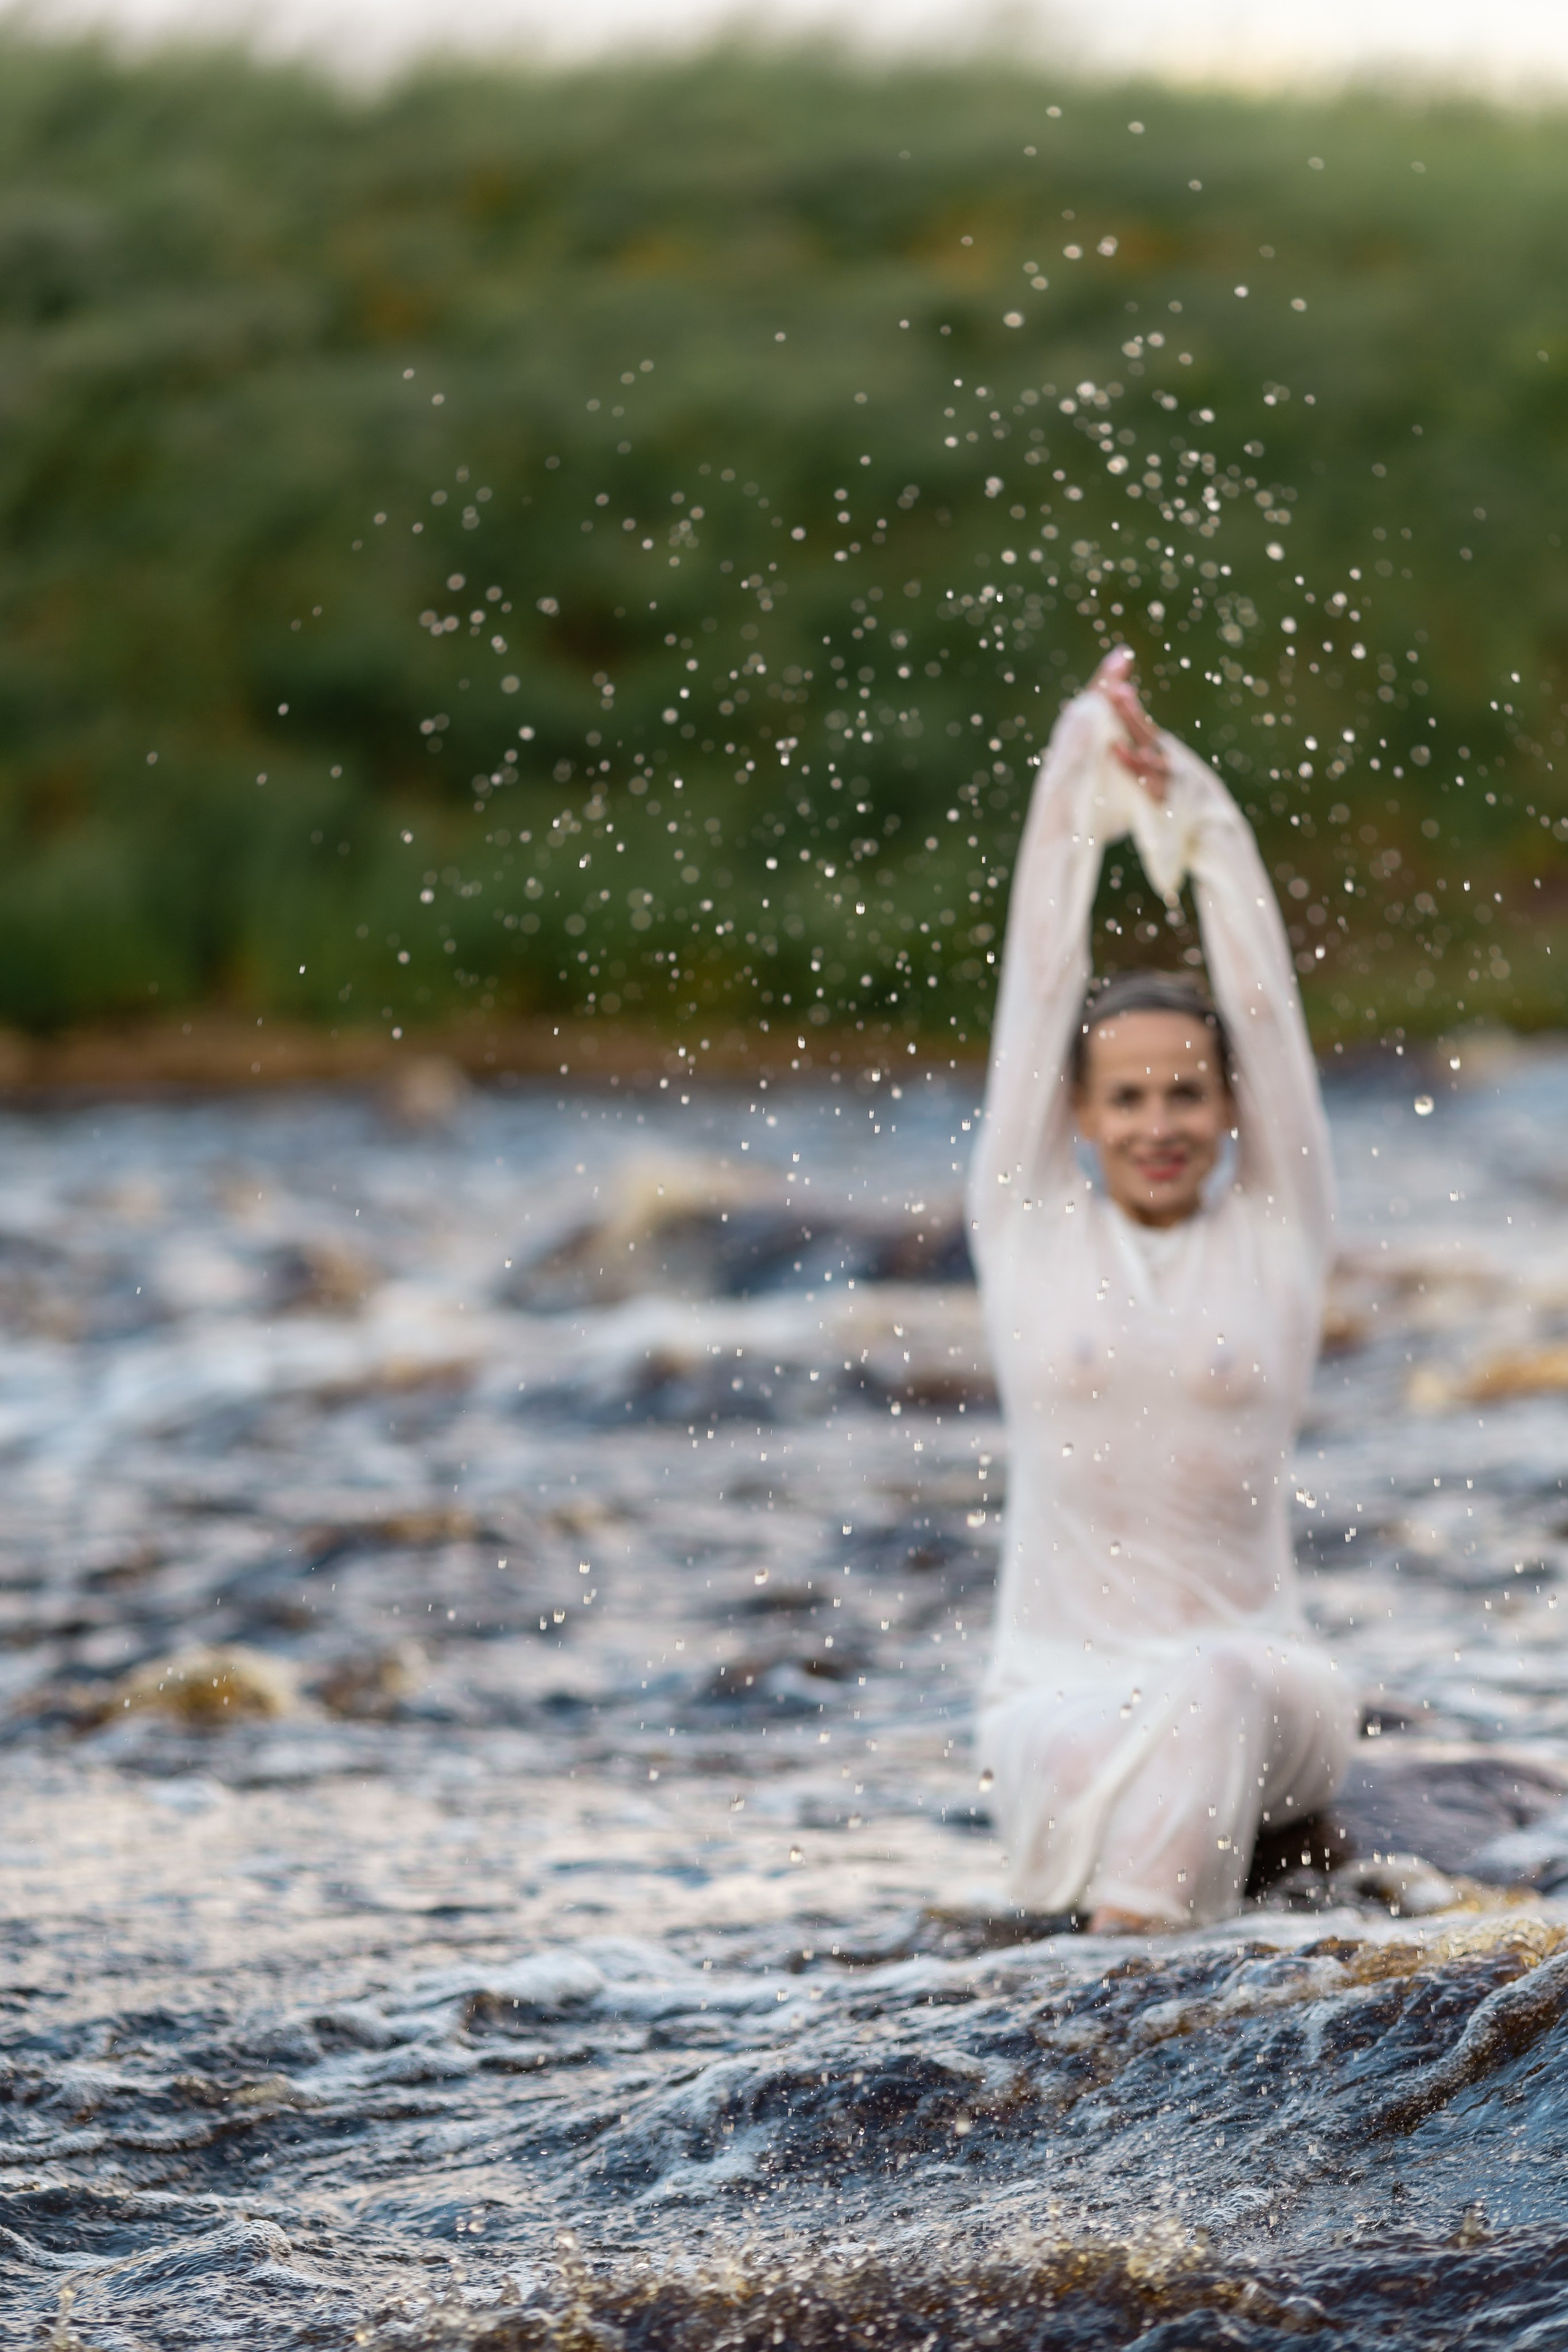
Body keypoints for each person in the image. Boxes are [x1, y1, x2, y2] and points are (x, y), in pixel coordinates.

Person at [968, 647, 1355, 1932]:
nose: (1157, 1122)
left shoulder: (1276, 1232)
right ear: (1075, 1112)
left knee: (1223, 1680)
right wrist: (1077, 762)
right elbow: (1035, 988)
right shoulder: (1021, 1228)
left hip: (1267, 1682)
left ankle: (1121, 1998)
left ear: (1227, 1102)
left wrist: (1191, 808)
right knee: (1136, 1744)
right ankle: (1152, 2022)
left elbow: (1262, 1001)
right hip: (1056, 1694)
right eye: (1124, 1096)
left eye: (1185, 1089)